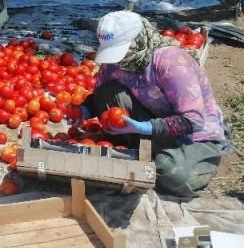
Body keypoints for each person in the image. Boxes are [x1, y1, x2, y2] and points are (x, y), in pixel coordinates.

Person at [76, 10, 232, 198]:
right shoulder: (115, 62)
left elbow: (194, 120)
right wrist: (85, 109)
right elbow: (100, 94)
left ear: (139, 39)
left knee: (176, 178)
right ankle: (147, 149)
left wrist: (146, 127)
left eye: (123, 50)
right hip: (153, 121)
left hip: (194, 134)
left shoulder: (171, 62)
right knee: (108, 91)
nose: (118, 60)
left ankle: (198, 160)